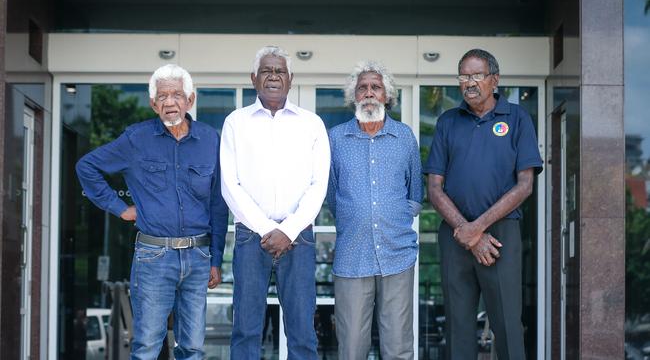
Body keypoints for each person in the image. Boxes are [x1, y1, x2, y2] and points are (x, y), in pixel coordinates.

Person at [76, 64, 229, 360]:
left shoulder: (211, 140)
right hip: (153, 256)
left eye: (176, 95)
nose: (169, 102)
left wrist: (217, 259)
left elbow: (218, 204)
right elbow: (87, 166)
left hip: (199, 257)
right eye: (162, 96)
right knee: (146, 347)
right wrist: (120, 209)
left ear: (190, 100)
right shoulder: (136, 139)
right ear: (152, 103)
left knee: (193, 348)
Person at [425, 48, 543, 359]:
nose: (469, 82)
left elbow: (525, 185)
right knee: (458, 327)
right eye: (464, 76)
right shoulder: (448, 121)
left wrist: (477, 229)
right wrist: (467, 231)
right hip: (455, 236)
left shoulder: (517, 118)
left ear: (495, 79)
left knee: (507, 326)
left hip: (502, 236)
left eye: (477, 75)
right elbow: (434, 188)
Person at [220, 45, 330, 359]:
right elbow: (231, 185)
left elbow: (318, 184)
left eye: (279, 71)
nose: (273, 76)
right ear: (254, 78)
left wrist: (289, 230)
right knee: (246, 328)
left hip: (299, 237)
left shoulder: (311, 124)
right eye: (266, 70)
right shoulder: (235, 123)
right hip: (250, 236)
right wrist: (269, 229)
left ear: (290, 79)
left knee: (302, 330)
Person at [327, 61, 423, 360]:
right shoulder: (335, 139)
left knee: (398, 348)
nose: (369, 93)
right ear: (353, 96)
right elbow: (329, 192)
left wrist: (395, 218)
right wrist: (353, 216)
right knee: (352, 347)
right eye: (362, 88)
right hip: (352, 256)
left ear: (387, 95)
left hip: (397, 255)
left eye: (376, 87)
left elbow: (416, 192)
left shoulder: (404, 136)